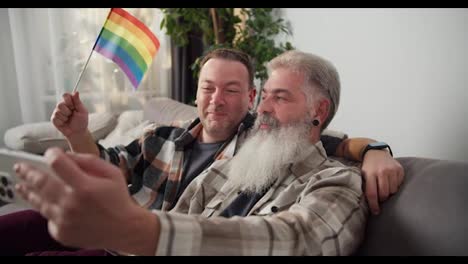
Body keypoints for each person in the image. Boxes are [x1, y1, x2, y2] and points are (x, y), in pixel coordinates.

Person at [0, 48, 399, 255]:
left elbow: (299, 240)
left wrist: (375, 149)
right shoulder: (240, 156)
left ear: (319, 111)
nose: (263, 111)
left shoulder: (336, 179)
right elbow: (112, 171)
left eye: (278, 98)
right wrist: (80, 135)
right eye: (208, 88)